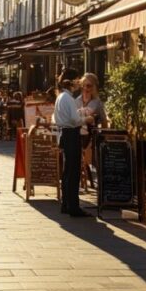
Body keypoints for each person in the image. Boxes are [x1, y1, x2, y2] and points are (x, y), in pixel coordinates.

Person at [53, 68, 94, 217]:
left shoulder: (61, 97)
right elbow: (74, 120)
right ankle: (73, 206)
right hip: (71, 134)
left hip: (65, 134)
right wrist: (86, 119)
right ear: (71, 82)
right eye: (77, 80)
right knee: (73, 171)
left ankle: (66, 204)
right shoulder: (68, 98)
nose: (79, 83)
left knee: (67, 171)